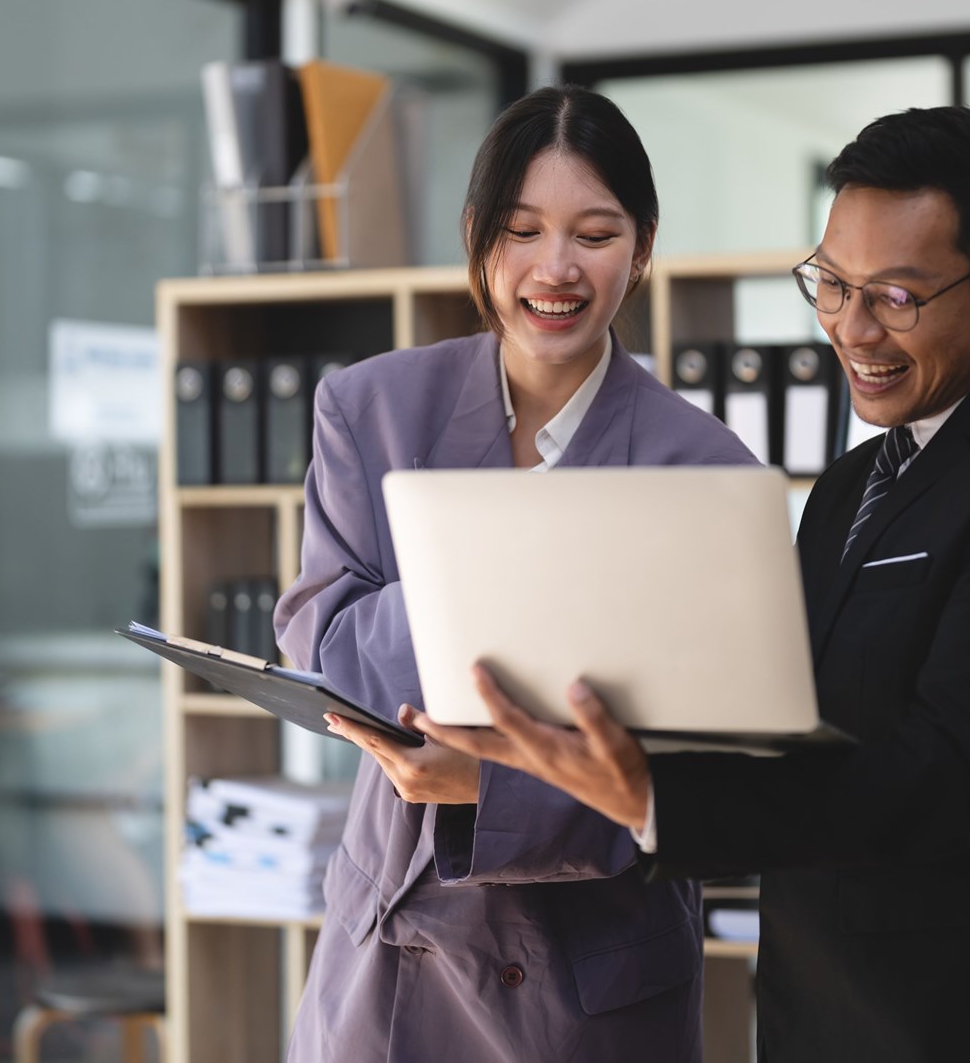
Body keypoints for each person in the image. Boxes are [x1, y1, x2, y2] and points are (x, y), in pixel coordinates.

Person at [416, 106, 970, 1063]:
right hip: (820, 1009)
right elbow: (787, 723)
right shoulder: (853, 480)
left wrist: (652, 797)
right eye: (833, 285)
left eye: (896, 296)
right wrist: (554, 753)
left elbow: (951, 782)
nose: (852, 329)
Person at [273, 84, 756, 1063]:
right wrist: (512, 556)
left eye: (595, 232)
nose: (556, 268)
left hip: (596, 984)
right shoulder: (371, 409)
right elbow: (325, 647)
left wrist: (488, 784)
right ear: (477, 235)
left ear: (645, 245)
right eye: (523, 229)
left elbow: (716, 779)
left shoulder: (705, 473)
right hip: (395, 965)